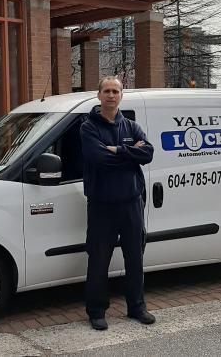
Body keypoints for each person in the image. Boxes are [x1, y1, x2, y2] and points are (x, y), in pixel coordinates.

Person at [80, 76, 155, 331]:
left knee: (135, 257)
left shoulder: (132, 126)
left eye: (116, 91)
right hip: (102, 205)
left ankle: (137, 307)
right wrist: (129, 154)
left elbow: (149, 153)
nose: (111, 95)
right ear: (98, 95)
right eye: (107, 91)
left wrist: (117, 150)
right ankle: (97, 311)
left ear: (121, 95)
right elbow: (98, 158)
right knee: (99, 259)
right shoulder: (88, 128)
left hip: (131, 203)